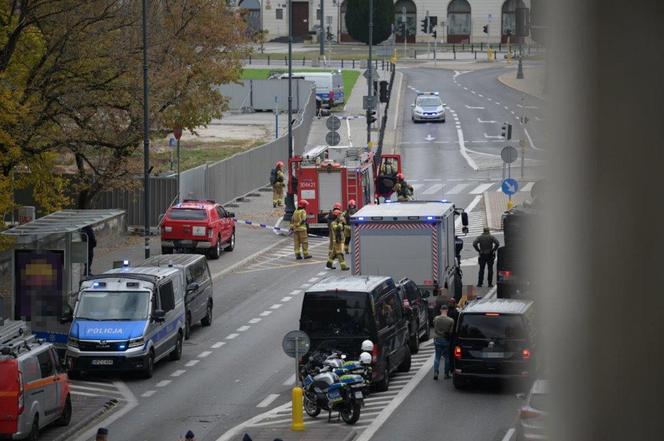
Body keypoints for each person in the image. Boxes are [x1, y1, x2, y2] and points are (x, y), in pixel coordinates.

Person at [433, 304, 455, 380]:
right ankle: (446, 374)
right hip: (446, 340)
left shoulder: (436, 318)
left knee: (437, 357)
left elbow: (434, 328)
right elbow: (451, 332)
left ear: (440, 310)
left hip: (437, 339)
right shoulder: (451, 320)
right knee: (447, 357)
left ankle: (436, 372)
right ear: (447, 310)